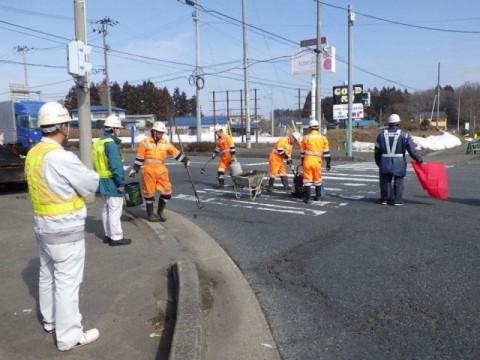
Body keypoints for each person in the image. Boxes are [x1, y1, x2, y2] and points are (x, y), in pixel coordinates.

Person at [24, 102, 100, 351]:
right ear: (64, 127)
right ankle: (69, 336)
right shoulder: (61, 157)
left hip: (42, 225)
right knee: (67, 283)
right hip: (65, 228)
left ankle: (51, 321)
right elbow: (89, 184)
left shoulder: (34, 154)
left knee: (47, 275)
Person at [129, 121, 189, 222]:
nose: (161, 134)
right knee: (149, 194)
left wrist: (185, 160)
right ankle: (150, 214)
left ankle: (160, 211)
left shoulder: (165, 143)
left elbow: (176, 154)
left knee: (167, 192)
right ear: (154, 131)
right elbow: (139, 158)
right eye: (159, 132)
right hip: (148, 170)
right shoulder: (145, 142)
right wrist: (135, 169)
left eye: (162, 133)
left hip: (161, 170)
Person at [92, 114, 131, 246]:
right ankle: (116, 237)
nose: (120, 131)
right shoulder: (111, 145)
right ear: (113, 129)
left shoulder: (98, 142)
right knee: (115, 210)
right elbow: (115, 166)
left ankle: (108, 235)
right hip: (112, 181)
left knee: (106, 209)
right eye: (118, 128)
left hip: (102, 180)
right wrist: (120, 183)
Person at [374, 113, 423, 205]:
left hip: (384, 161)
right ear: (398, 123)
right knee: (399, 181)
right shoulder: (404, 135)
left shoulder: (381, 135)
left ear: (389, 123)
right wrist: (419, 159)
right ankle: (397, 200)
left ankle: (385, 199)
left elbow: (377, 152)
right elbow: (411, 150)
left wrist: (379, 163)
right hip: (399, 162)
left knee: (385, 181)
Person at [300, 119, 331, 204]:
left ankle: (308, 198)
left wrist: (302, 161)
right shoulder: (323, 138)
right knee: (317, 179)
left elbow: (302, 152)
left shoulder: (305, 138)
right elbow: (327, 153)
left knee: (307, 180)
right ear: (317, 128)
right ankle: (318, 197)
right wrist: (328, 163)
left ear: (310, 128)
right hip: (317, 161)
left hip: (308, 160)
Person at [211, 124, 236, 189]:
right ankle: (221, 184)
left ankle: (237, 183)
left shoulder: (227, 137)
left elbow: (232, 147)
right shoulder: (217, 140)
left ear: (221, 131)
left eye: (217, 132)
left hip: (229, 156)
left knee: (232, 171)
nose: (216, 133)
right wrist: (214, 154)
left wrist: (233, 156)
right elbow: (218, 148)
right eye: (215, 132)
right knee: (220, 170)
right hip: (223, 157)